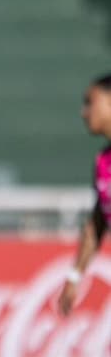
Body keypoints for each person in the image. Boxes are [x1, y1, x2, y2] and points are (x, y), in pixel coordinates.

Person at [58, 72, 111, 316]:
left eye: (90, 102)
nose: (84, 112)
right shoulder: (102, 162)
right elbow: (97, 222)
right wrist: (75, 276)